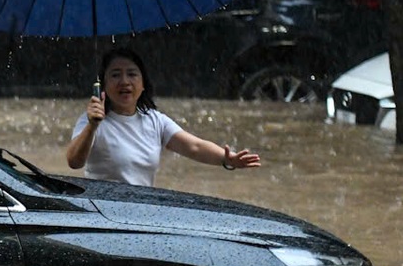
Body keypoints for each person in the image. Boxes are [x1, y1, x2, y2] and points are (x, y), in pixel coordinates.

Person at [65, 48, 262, 187]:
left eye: (132, 74)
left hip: (142, 207)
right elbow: (74, 162)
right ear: (104, 85)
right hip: (103, 209)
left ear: (143, 85)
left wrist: (226, 159)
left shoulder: (154, 120)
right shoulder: (91, 120)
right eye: (115, 75)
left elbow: (194, 147)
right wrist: (92, 126)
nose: (124, 81)